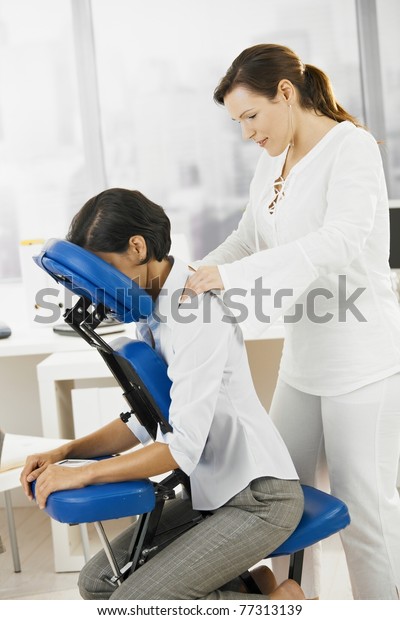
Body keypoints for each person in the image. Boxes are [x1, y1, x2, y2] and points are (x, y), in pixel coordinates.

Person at [184, 43, 400, 600]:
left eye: (251, 117)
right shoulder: (271, 162)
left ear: (286, 92)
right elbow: (248, 237)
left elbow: (339, 241)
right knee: (278, 508)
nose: (247, 134)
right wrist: (202, 272)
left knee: (365, 518)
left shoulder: (350, 148)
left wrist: (233, 280)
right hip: (302, 362)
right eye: (238, 123)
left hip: (362, 362)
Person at [20, 188, 305, 601]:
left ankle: (283, 604)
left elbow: (182, 447)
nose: (101, 290)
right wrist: (66, 453)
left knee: (132, 604)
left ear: (137, 247)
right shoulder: (151, 311)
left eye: (103, 270)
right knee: (98, 582)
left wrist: (83, 473)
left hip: (258, 497)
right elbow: (146, 420)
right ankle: (255, 592)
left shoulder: (196, 312)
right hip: (212, 494)